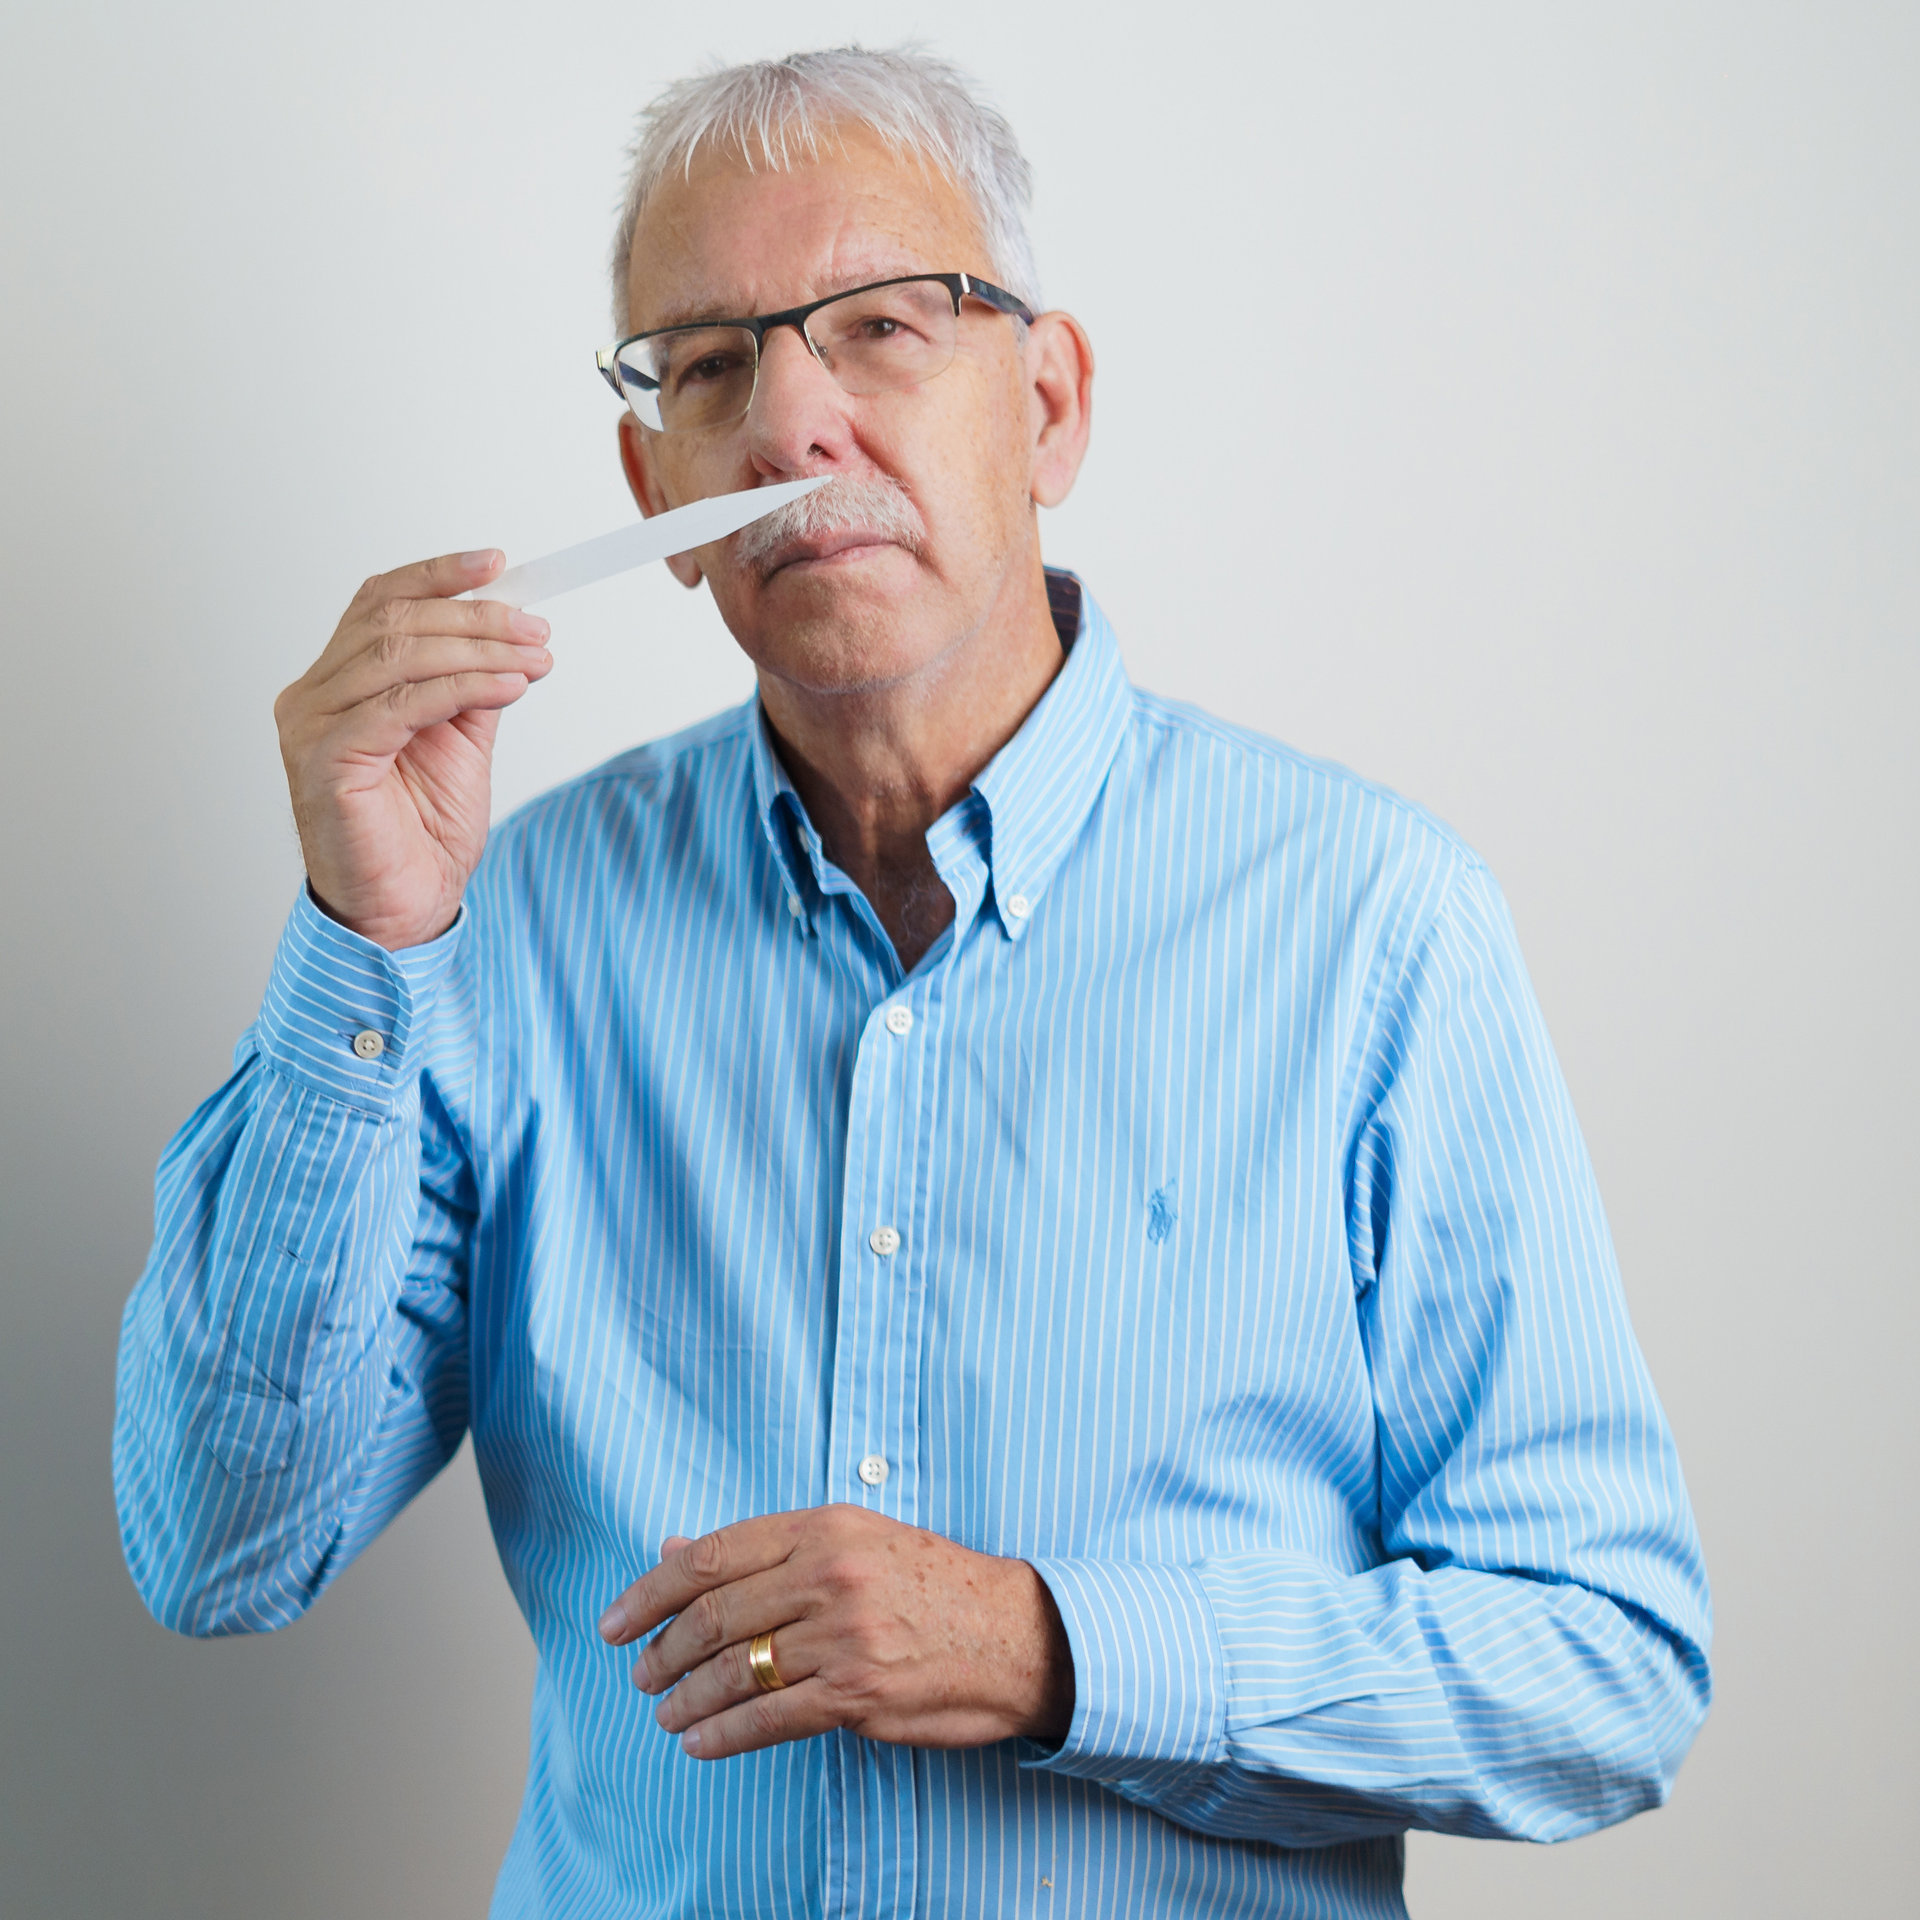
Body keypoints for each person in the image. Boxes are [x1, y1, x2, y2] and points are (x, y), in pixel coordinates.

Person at [114, 45, 1711, 1920]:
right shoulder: (504, 930)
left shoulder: (1374, 926)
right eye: (712, 366)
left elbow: (1605, 1672)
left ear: (1045, 406)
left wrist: (1049, 1650)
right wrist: (364, 940)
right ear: (652, 480)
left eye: (880, 327)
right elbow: (218, 1547)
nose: (794, 426)